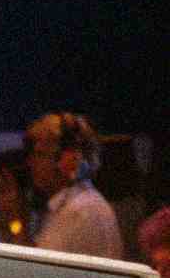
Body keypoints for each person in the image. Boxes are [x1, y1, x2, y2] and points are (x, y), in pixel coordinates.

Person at [24, 111, 122, 259]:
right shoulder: (69, 205)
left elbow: (35, 273)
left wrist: (14, 217)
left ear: (68, 159)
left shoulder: (83, 210)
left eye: (39, 154)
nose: (30, 163)